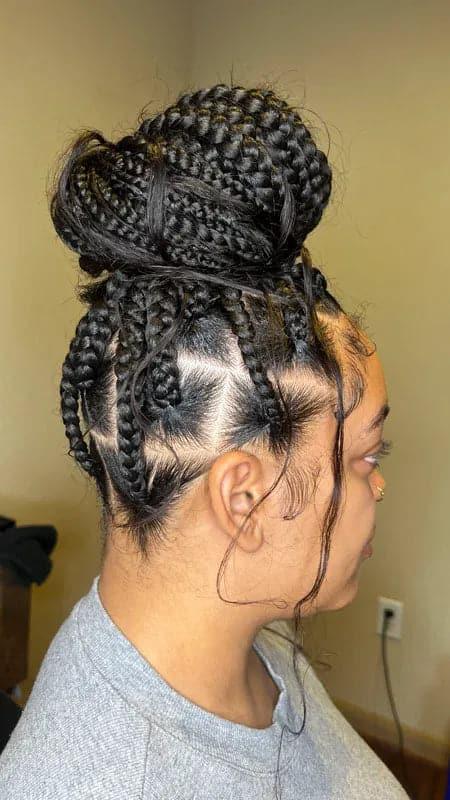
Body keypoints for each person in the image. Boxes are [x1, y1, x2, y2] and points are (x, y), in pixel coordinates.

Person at [0, 82, 408, 799]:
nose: (379, 484)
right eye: (367, 454)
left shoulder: (253, 635)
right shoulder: (96, 781)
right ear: (245, 499)